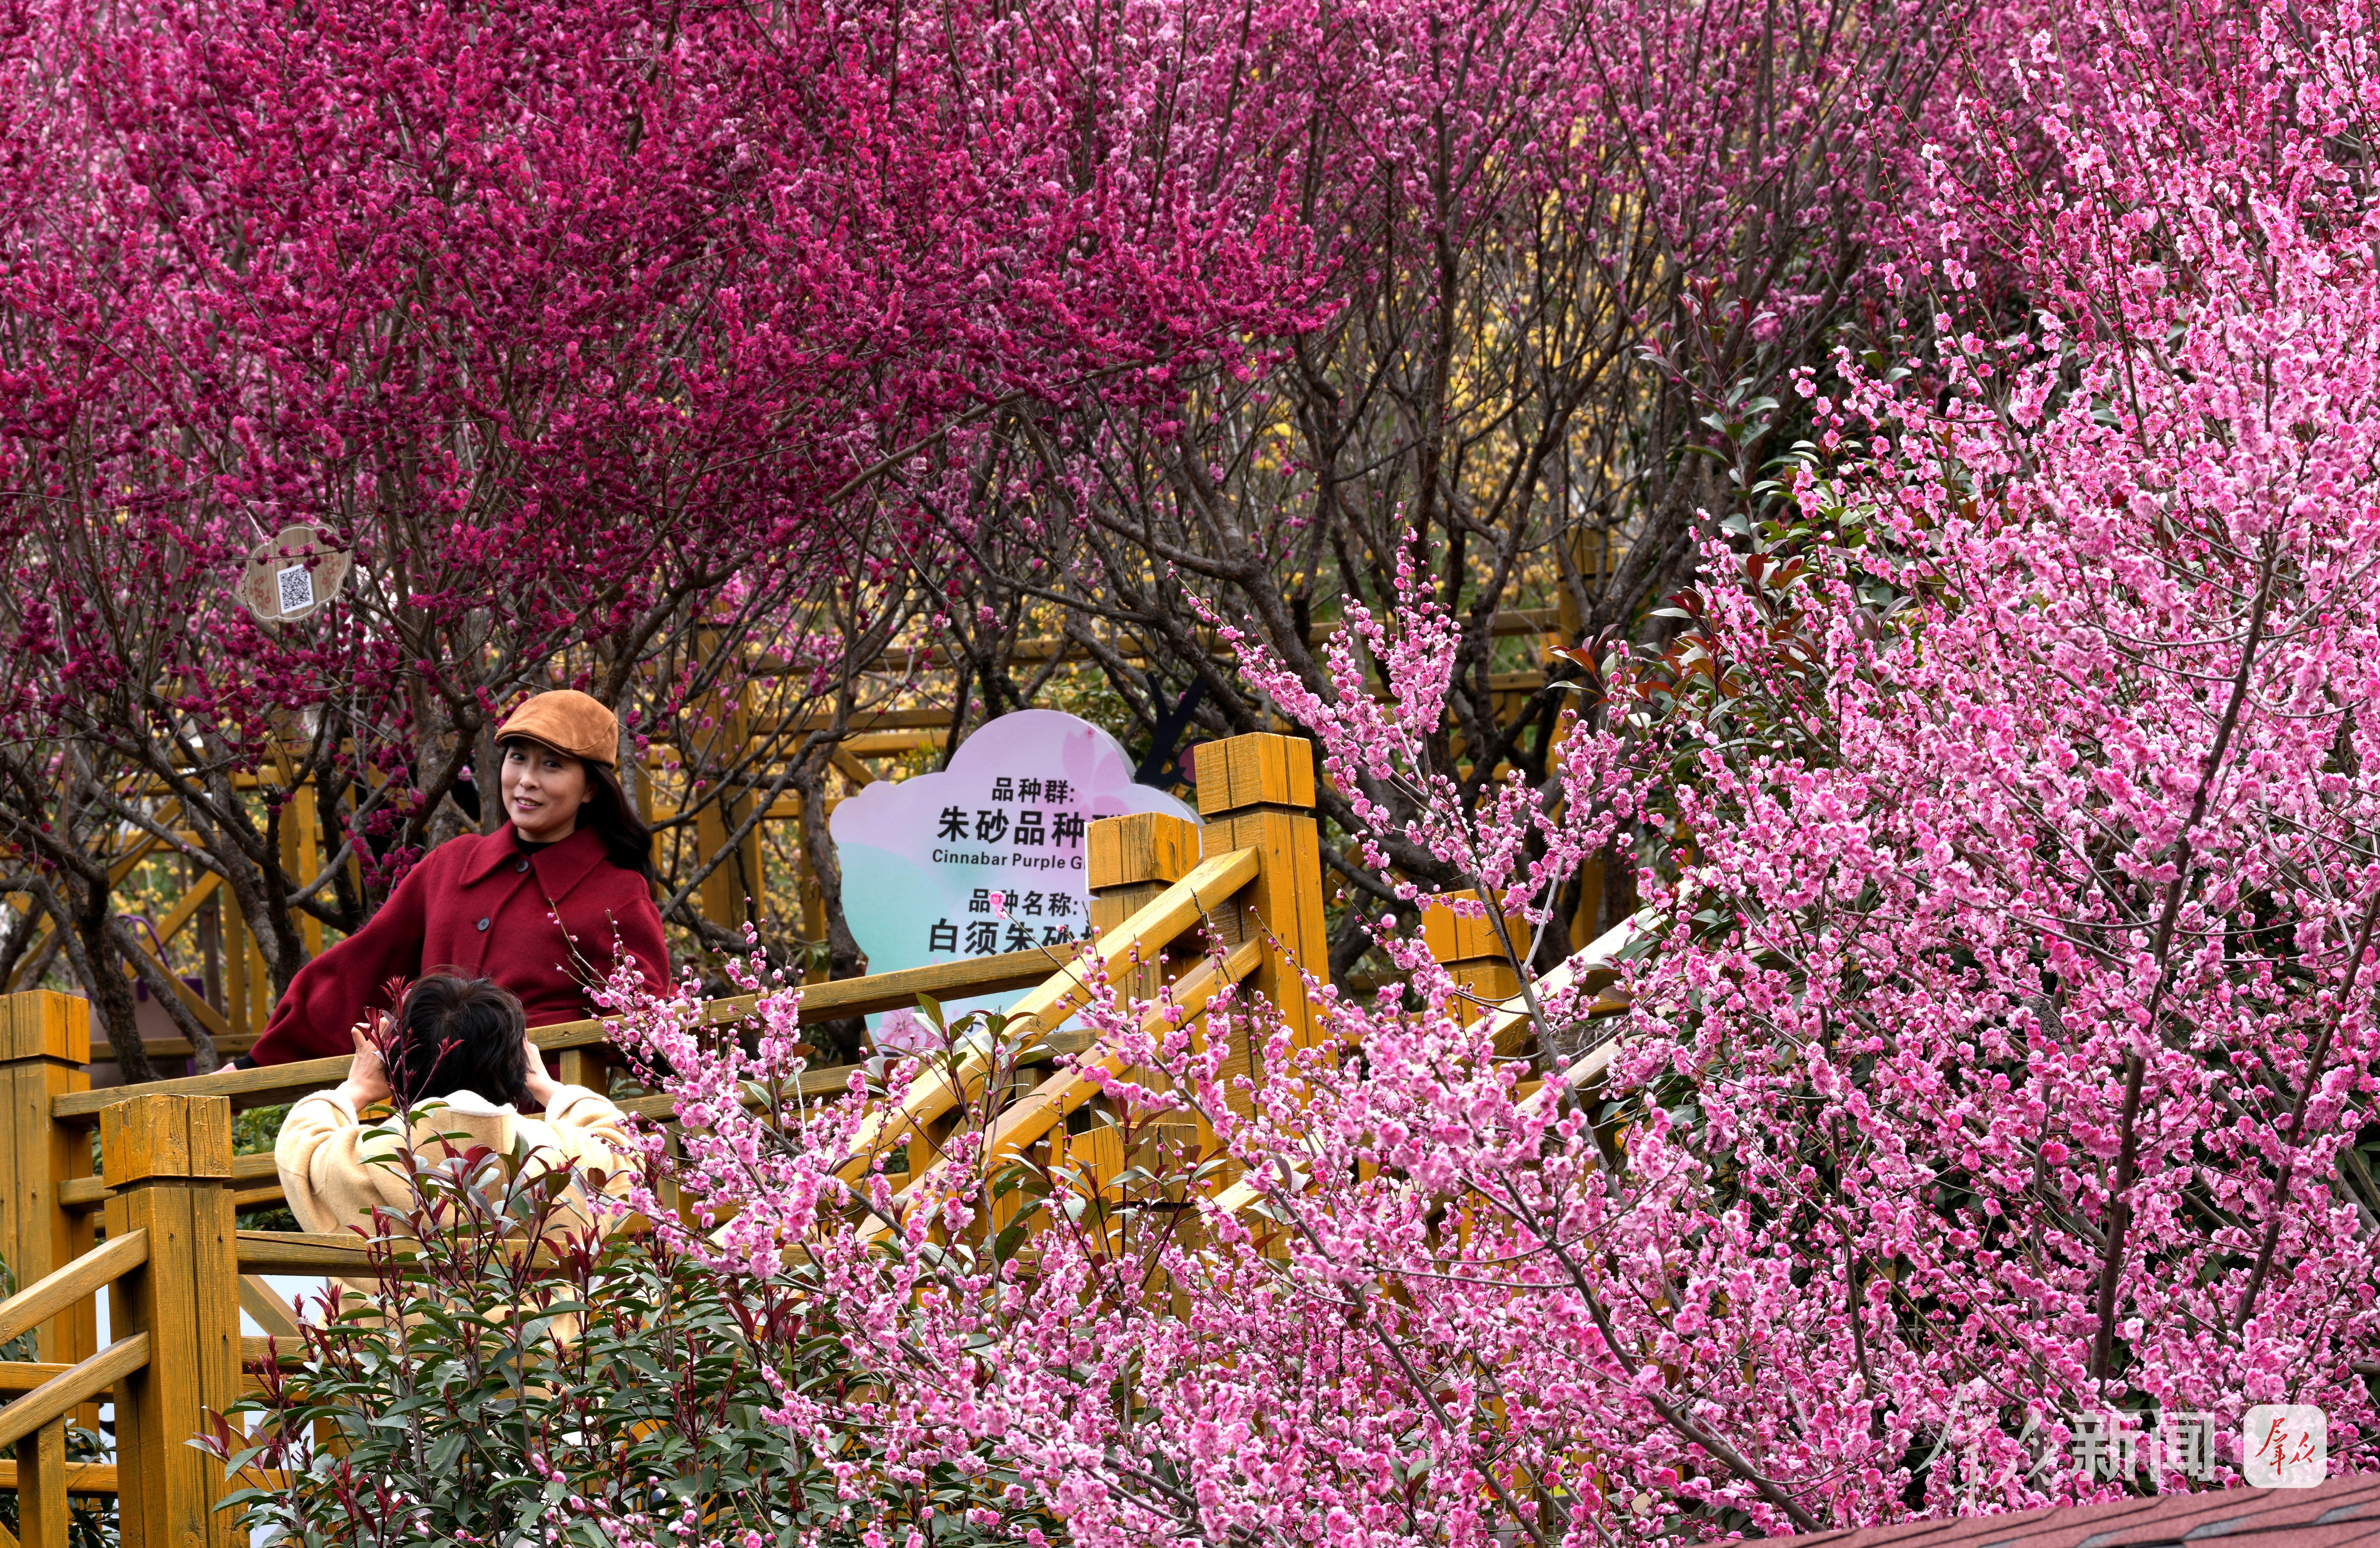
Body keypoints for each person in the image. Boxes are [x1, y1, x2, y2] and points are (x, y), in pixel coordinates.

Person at [248, 689, 671, 1066]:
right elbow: (363, 967)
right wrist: (259, 1060)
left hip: (545, 1129)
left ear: (591, 788)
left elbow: (645, 1033)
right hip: (430, 1124)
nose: (526, 781)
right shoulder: (451, 865)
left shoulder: (617, 894)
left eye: (553, 766)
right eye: (518, 758)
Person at [274, 974, 637, 1316]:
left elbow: (300, 1146)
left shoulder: (362, 1158)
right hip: (542, 1375)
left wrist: (359, 1087)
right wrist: (545, 1084)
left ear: (397, 1065)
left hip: (390, 1376)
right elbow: (622, 1145)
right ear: (517, 1064)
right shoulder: (562, 1158)